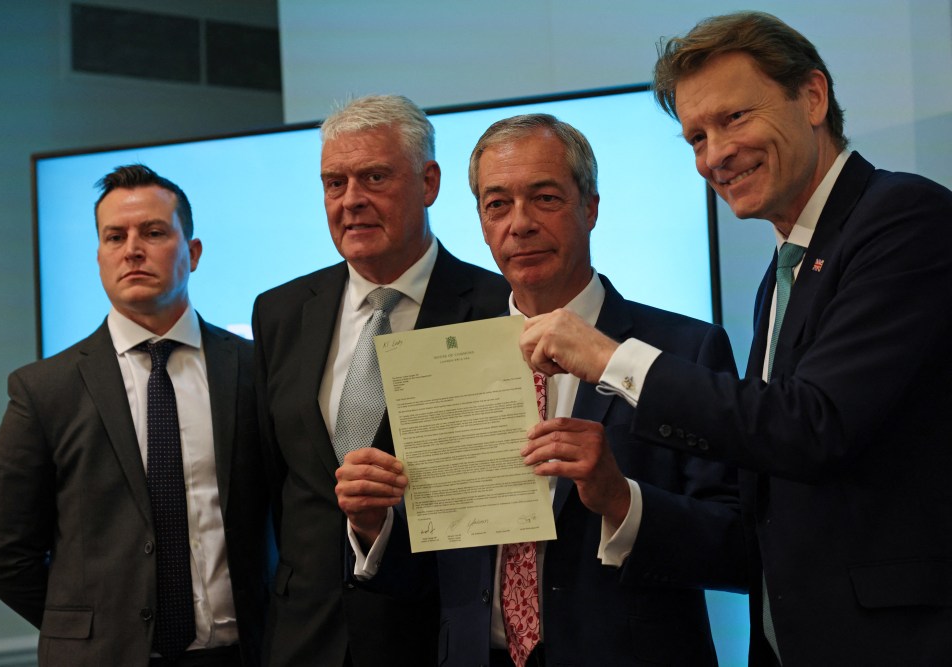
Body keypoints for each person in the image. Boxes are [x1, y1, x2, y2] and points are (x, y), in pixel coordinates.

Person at [519, 11, 952, 665]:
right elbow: (762, 515)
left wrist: (611, 357)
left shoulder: (902, 216)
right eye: (696, 136)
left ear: (812, 96)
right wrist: (617, 497)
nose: (714, 154)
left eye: (734, 119)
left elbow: (814, 425)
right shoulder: (782, 274)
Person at [336, 114, 746, 666]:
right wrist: (372, 525)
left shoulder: (683, 350)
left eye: (545, 198)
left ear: (591, 207)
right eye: (497, 204)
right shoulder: (439, 362)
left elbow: (737, 547)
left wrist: (619, 499)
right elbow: (440, 579)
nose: (519, 224)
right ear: (481, 223)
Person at [251, 94, 509, 667]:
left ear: (430, 182)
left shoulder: (498, 308)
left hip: (435, 637)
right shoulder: (280, 311)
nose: (351, 201)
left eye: (373, 177)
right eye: (334, 183)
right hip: (304, 639)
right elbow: (274, 488)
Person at [0, 164, 269, 666]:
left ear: (194, 252)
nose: (132, 249)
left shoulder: (254, 369)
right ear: (99, 257)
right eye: (115, 236)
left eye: (154, 232)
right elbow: (3, 550)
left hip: (243, 654)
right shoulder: (43, 390)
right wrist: (84, 627)